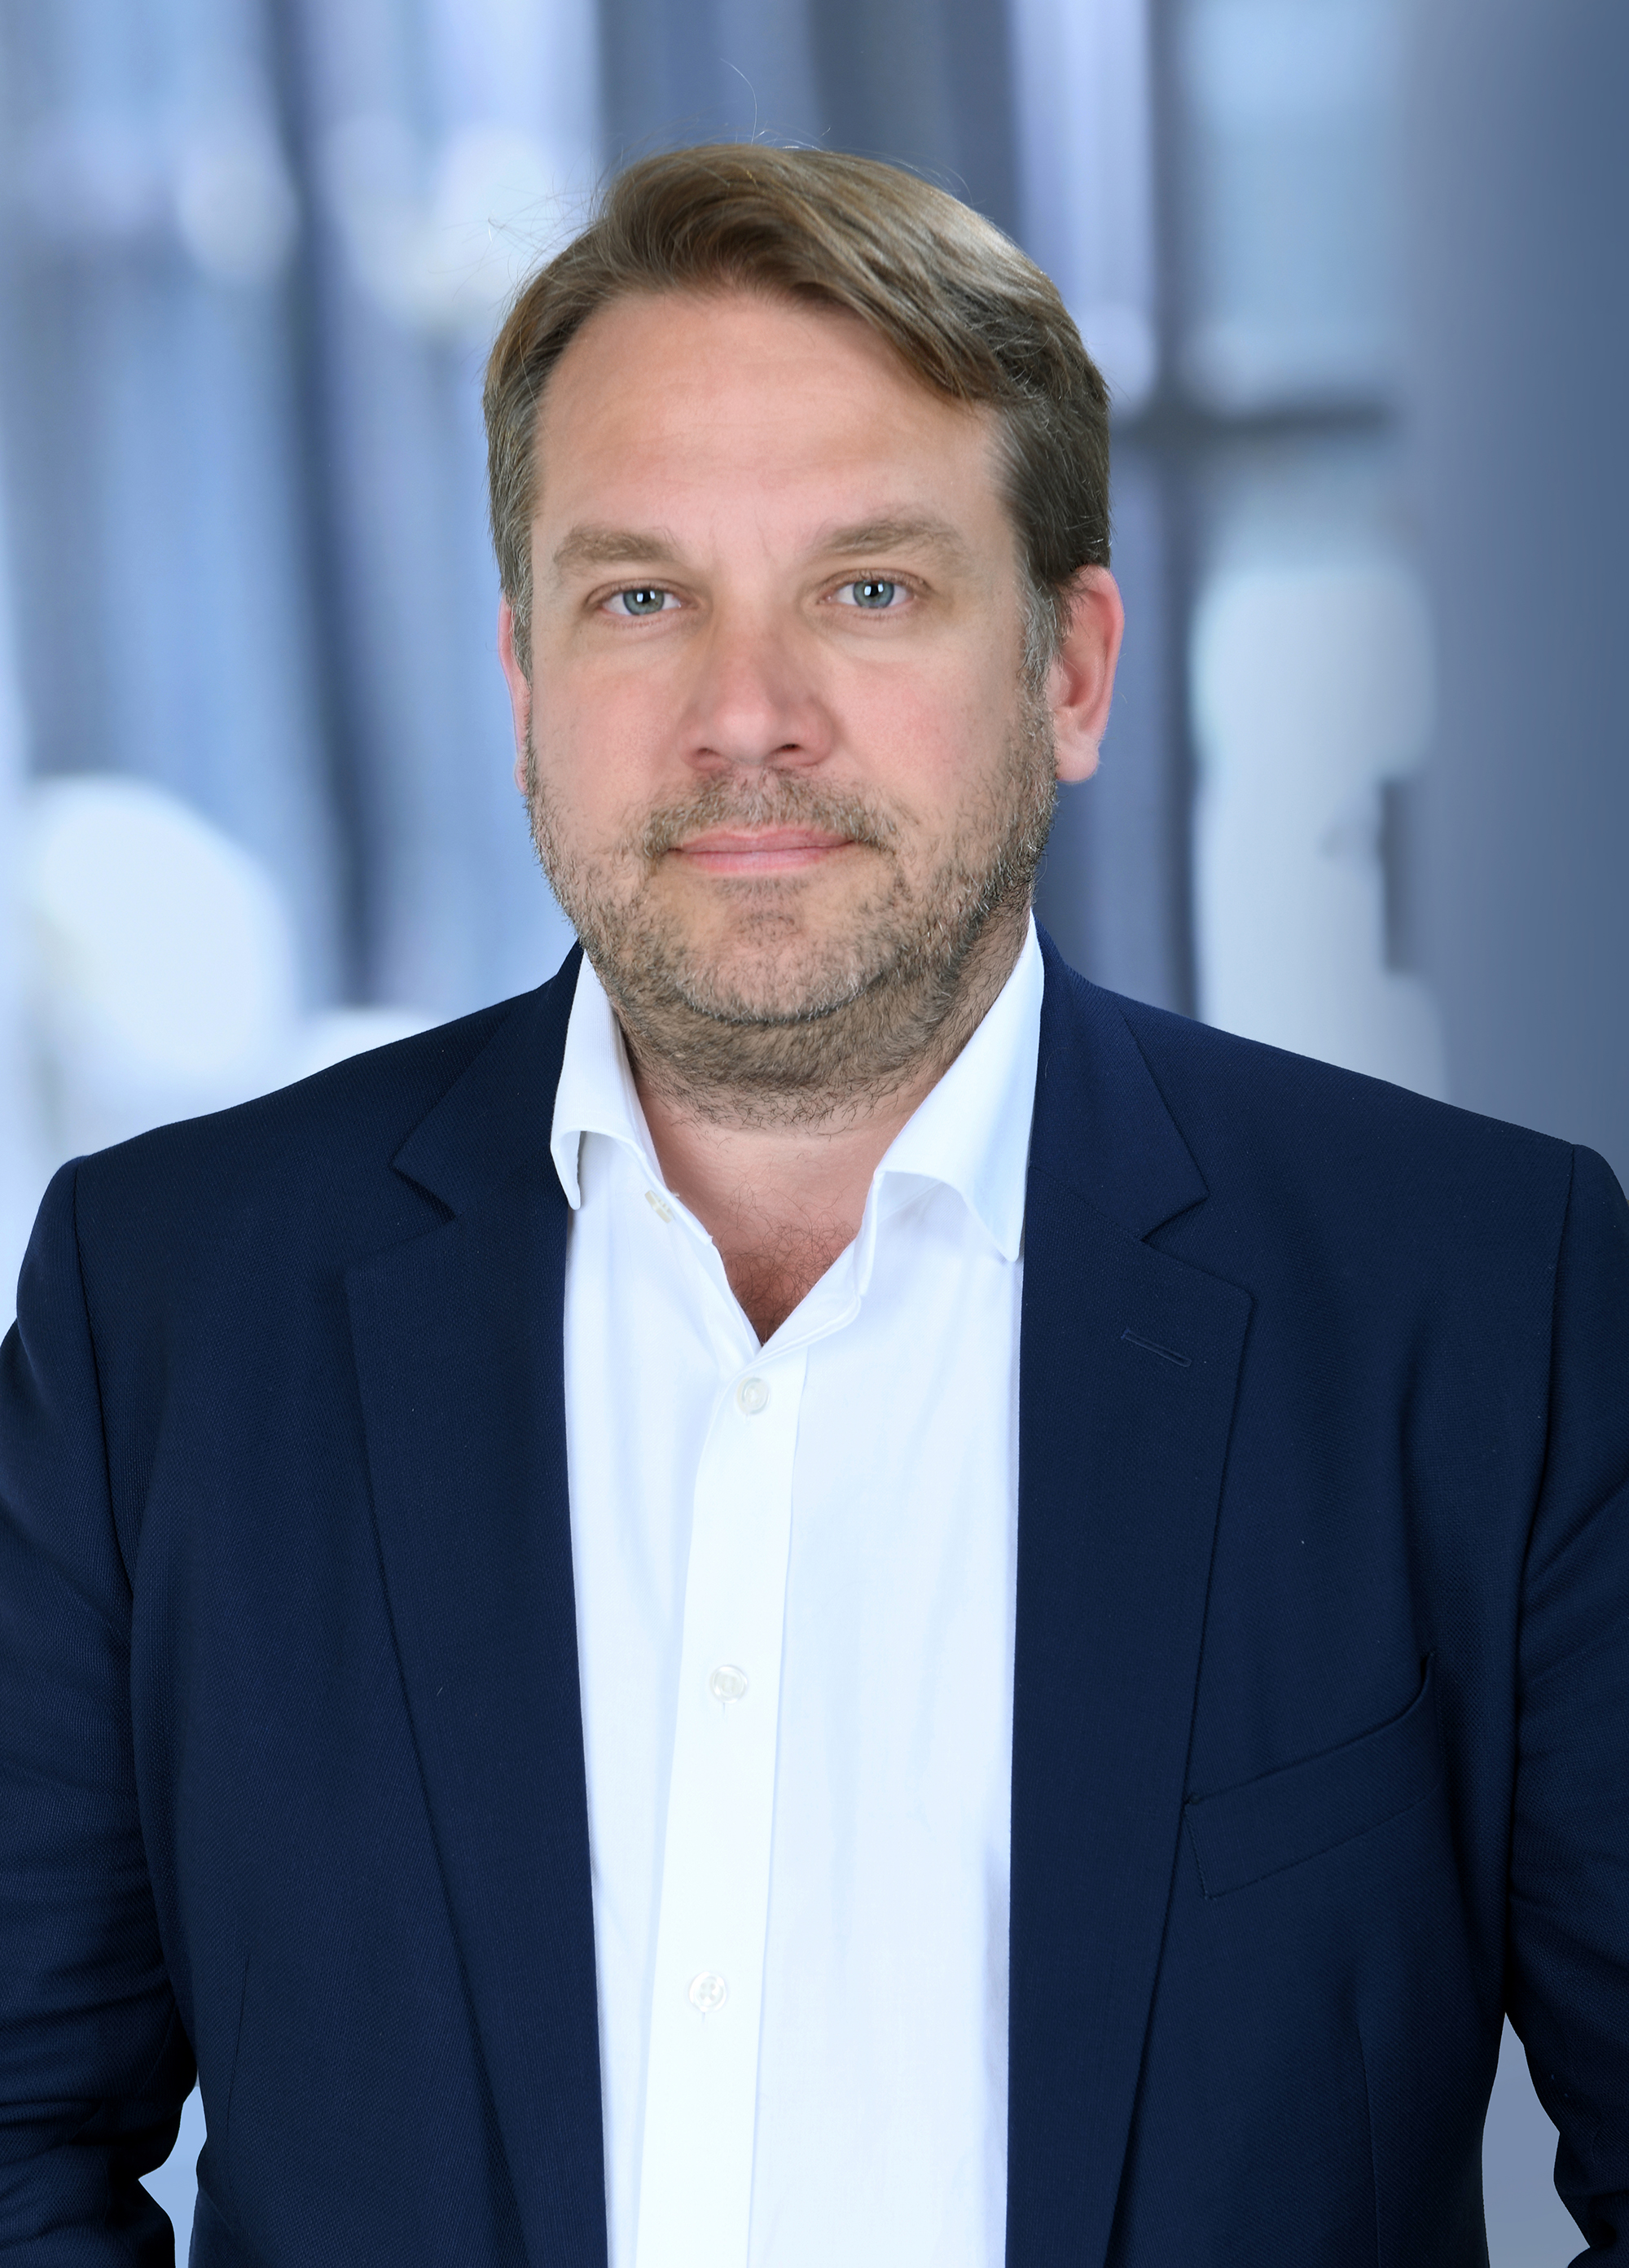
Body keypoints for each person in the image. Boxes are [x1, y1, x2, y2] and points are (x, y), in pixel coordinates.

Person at [1, 143, 1625, 2268]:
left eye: (868, 589)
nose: (743, 718)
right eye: (640, 597)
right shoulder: (164, 1309)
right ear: (522, 684)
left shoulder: (1481, 1304)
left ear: (1071, 671)